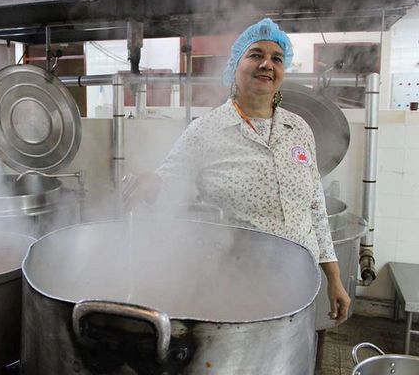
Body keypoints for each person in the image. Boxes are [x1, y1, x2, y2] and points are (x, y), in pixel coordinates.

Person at [123, 18, 350, 325]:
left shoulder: (299, 128)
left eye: (277, 58)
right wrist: (153, 184)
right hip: (239, 281)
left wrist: (334, 277)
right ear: (235, 66)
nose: (267, 64)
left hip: (300, 278)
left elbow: (315, 206)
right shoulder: (205, 130)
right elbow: (170, 179)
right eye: (256, 55)